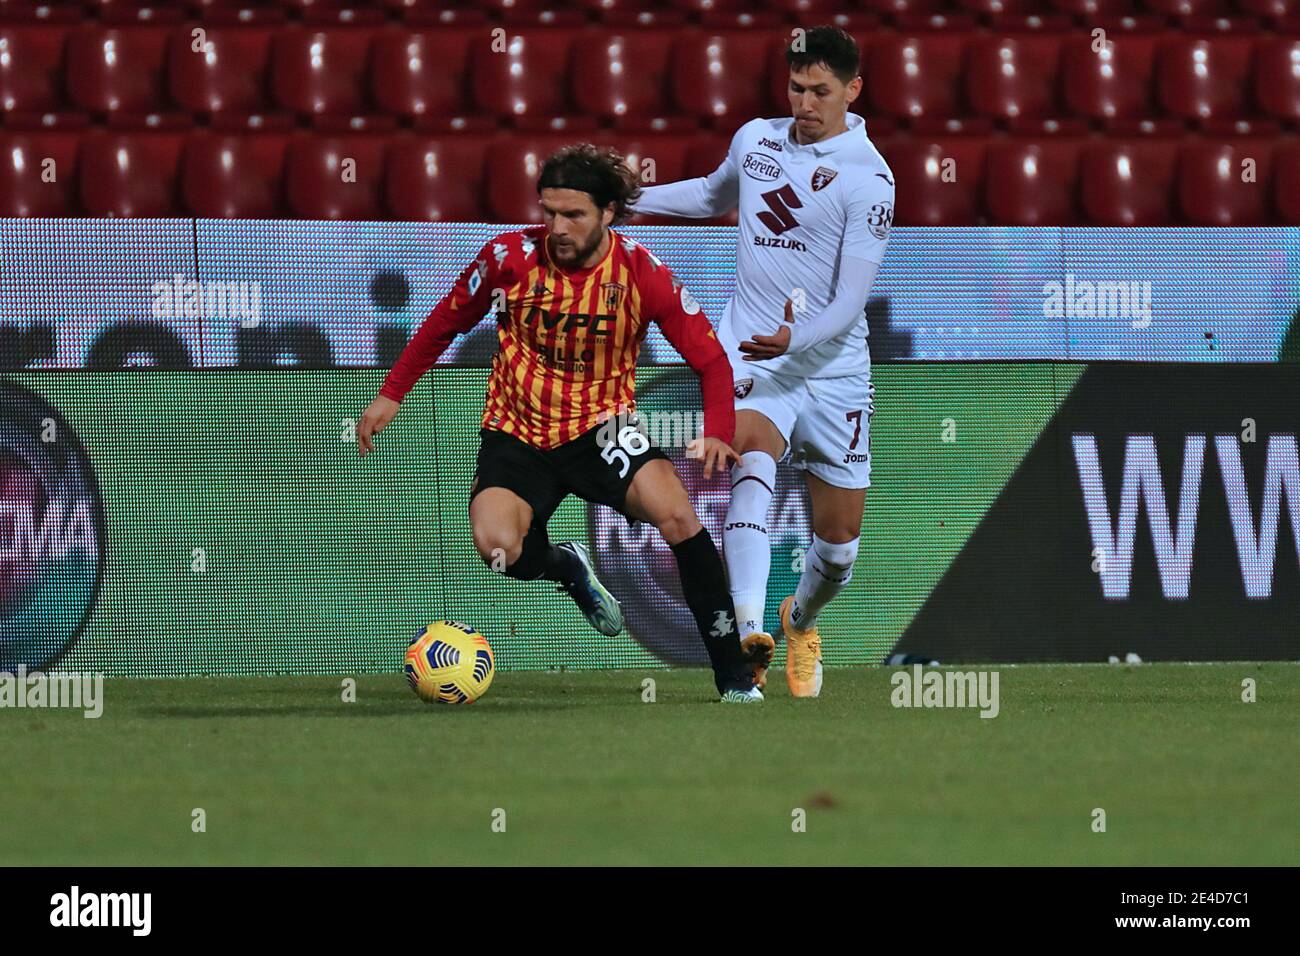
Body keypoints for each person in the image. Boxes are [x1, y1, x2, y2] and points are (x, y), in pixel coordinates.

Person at [357, 143, 772, 702]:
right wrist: (391, 395)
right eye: (549, 211)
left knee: (679, 516)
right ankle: (567, 567)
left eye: (573, 214)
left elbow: (710, 359)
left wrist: (719, 428)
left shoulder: (641, 275)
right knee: (497, 546)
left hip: (602, 431)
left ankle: (734, 676)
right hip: (517, 432)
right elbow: (443, 322)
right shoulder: (508, 260)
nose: (556, 226)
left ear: (607, 213)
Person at [632, 26, 894, 697]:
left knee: (838, 548)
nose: (805, 101)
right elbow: (712, 197)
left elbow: (848, 302)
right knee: (749, 454)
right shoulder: (755, 141)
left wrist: (796, 340)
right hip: (754, 351)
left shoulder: (870, 179)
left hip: (831, 369)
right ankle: (749, 635)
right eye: (796, 87)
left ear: (853, 90)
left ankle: (798, 620)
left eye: (820, 91)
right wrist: (628, 199)